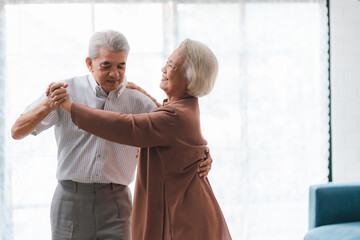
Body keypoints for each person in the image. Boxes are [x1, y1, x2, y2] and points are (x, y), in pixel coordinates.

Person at [11, 30, 212, 240]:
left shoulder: (138, 101)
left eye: (121, 66)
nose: (115, 74)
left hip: (118, 204)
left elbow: (177, 130)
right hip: (71, 201)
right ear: (90, 64)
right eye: (106, 65)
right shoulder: (64, 93)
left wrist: (204, 154)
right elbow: (17, 131)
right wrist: (47, 105)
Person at [55, 39, 232, 240]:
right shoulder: (184, 108)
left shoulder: (175, 117)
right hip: (186, 214)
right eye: (167, 62)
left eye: (172, 65)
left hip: (184, 220)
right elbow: (164, 124)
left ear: (189, 76)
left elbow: (128, 126)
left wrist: (72, 108)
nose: (164, 68)